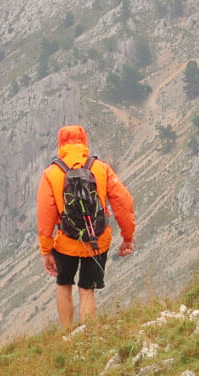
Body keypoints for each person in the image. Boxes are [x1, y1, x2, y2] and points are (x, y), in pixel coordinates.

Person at [36, 125, 136, 328]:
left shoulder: (51, 174)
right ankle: (86, 335)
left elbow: (45, 217)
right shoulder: (101, 168)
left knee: (64, 284)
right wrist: (127, 237)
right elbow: (123, 203)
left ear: (60, 144)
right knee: (87, 288)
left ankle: (67, 335)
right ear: (84, 142)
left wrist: (46, 251)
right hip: (97, 240)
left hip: (65, 241)